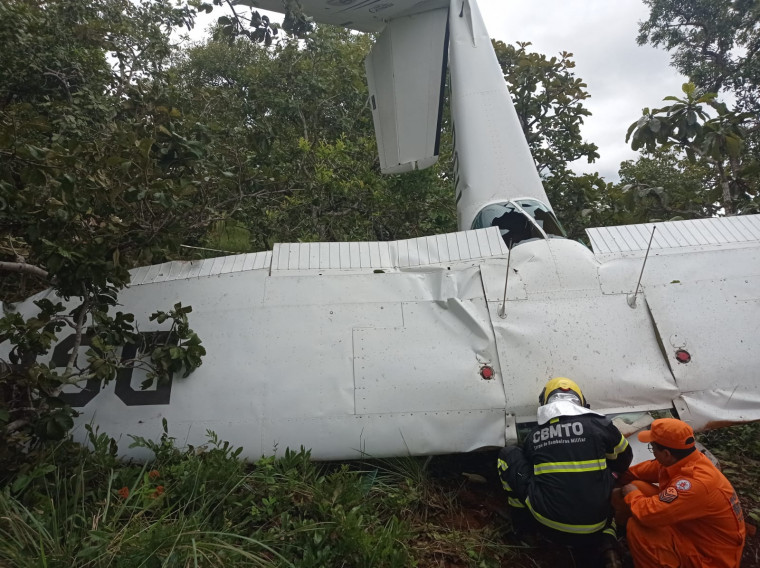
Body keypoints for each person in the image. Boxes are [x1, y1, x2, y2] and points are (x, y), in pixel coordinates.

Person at [497, 377, 632, 563]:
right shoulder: (599, 425)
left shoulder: (534, 436)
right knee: (608, 491)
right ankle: (608, 543)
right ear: (582, 401)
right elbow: (624, 460)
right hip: (596, 526)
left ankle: (523, 528)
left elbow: (529, 470)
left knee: (509, 454)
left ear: (545, 402)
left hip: (547, 526)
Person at [616, 418, 745, 568]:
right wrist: (611, 478)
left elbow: (648, 516)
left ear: (666, 453)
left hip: (709, 558)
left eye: (652, 448)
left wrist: (631, 494)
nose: (653, 453)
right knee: (637, 486)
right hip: (691, 532)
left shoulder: (696, 483)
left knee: (638, 528)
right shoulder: (681, 460)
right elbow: (634, 473)